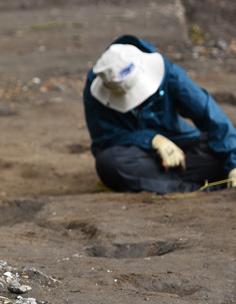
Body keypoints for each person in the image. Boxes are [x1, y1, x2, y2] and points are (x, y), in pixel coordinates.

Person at [83, 35, 236, 193]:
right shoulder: (97, 87)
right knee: (109, 163)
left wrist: (234, 163)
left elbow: (210, 116)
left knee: (221, 145)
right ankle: (189, 188)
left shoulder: (168, 73)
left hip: (182, 147)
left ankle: (162, 183)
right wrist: (153, 140)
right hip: (138, 157)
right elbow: (104, 140)